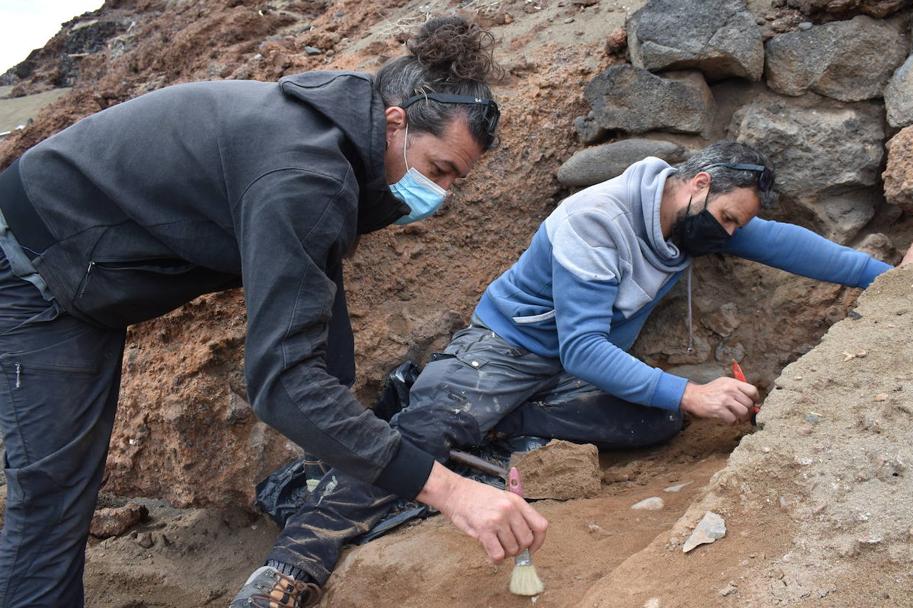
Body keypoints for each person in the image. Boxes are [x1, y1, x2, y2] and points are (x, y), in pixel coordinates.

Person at [0, 16, 547, 608]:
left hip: (88, 269)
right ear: (396, 124)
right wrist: (451, 491)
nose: (440, 194)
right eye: (439, 170)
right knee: (54, 490)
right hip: (32, 266)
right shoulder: (305, 175)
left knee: (65, 483)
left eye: (455, 181)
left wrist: (344, 439)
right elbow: (283, 379)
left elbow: (314, 308)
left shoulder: (338, 135)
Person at [242, 141, 913, 604]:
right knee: (428, 430)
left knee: (657, 416)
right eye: (723, 218)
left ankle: (497, 426)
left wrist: (890, 281)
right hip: (505, 351)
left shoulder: (699, 221)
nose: (727, 235)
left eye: (734, 227)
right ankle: (292, 568)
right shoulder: (594, 220)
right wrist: (692, 390)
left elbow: (788, 246)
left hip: (560, 375)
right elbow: (583, 350)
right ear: (695, 185)